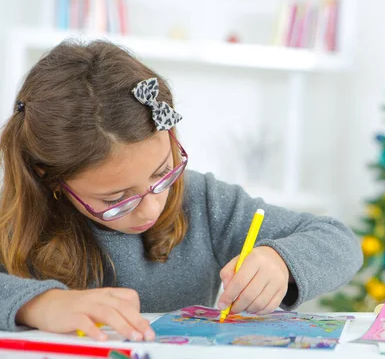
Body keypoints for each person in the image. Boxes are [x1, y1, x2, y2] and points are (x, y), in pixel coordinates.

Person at [0, 40, 363, 342]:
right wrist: (36, 304)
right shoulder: (14, 220)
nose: (150, 209)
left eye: (162, 173)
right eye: (116, 200)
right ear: (46, 176)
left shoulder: (202, 200)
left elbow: (338, 240)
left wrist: (280, 261)